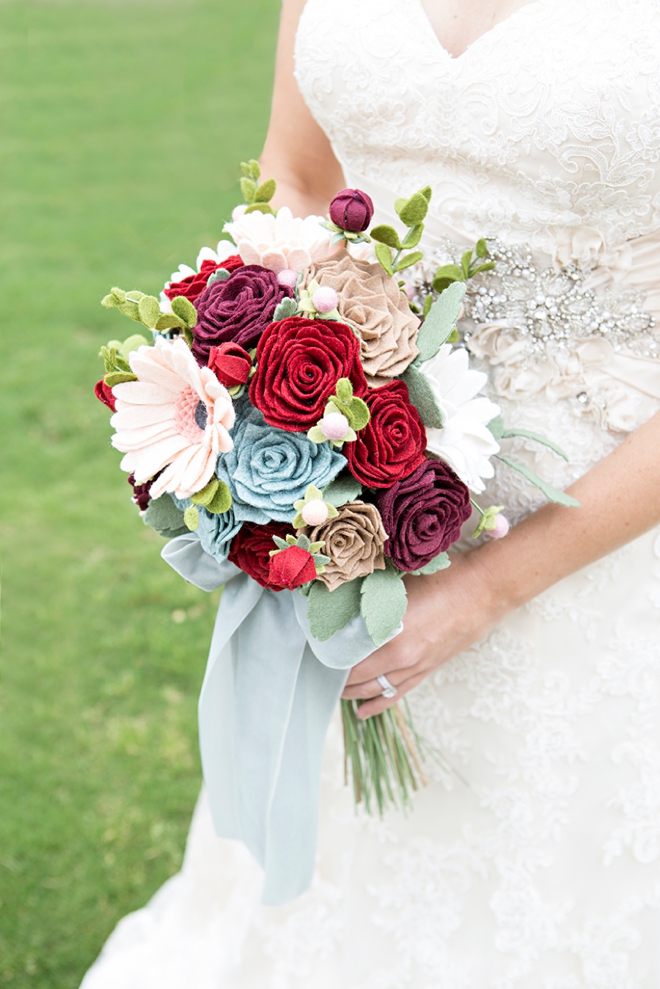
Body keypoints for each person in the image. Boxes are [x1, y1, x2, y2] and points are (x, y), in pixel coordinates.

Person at [82, 1, 660, 985]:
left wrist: (485, 590)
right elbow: (302, 175)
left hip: (599, 511)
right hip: (360, 469)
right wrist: (269, 392)